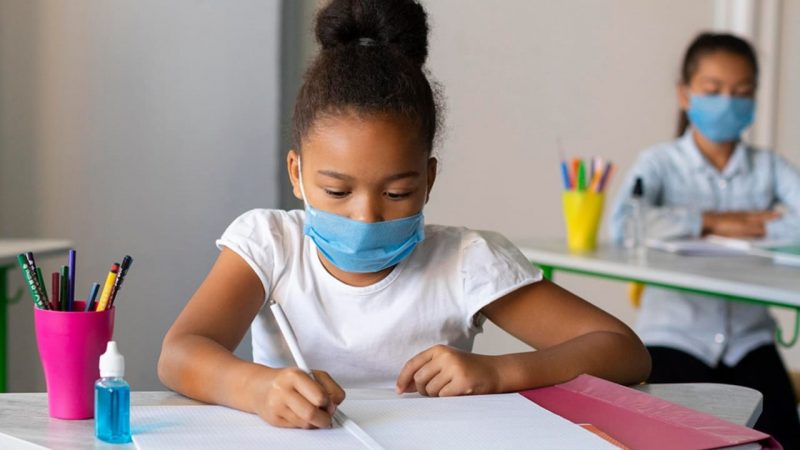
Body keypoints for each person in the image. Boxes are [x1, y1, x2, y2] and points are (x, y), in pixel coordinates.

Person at [159, 0, 650, 430]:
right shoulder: (269, 244)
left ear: (429, 180)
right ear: (297, 173)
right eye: (336, 190)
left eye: (397, 193)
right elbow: (180, 354)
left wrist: (502, 372)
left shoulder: (466, 262)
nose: (366, 215)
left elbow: (623, 351)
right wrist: (256, 388)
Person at [609, 32, 800, 446]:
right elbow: (622, 228)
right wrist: (712, 220)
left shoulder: (768, 167)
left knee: (783, 437)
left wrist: (757, 226)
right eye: (713, 90)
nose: (727, 102)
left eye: (742, 91)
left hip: (750, 338)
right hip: (675, 335)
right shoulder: (659, 163)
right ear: (685, 93)